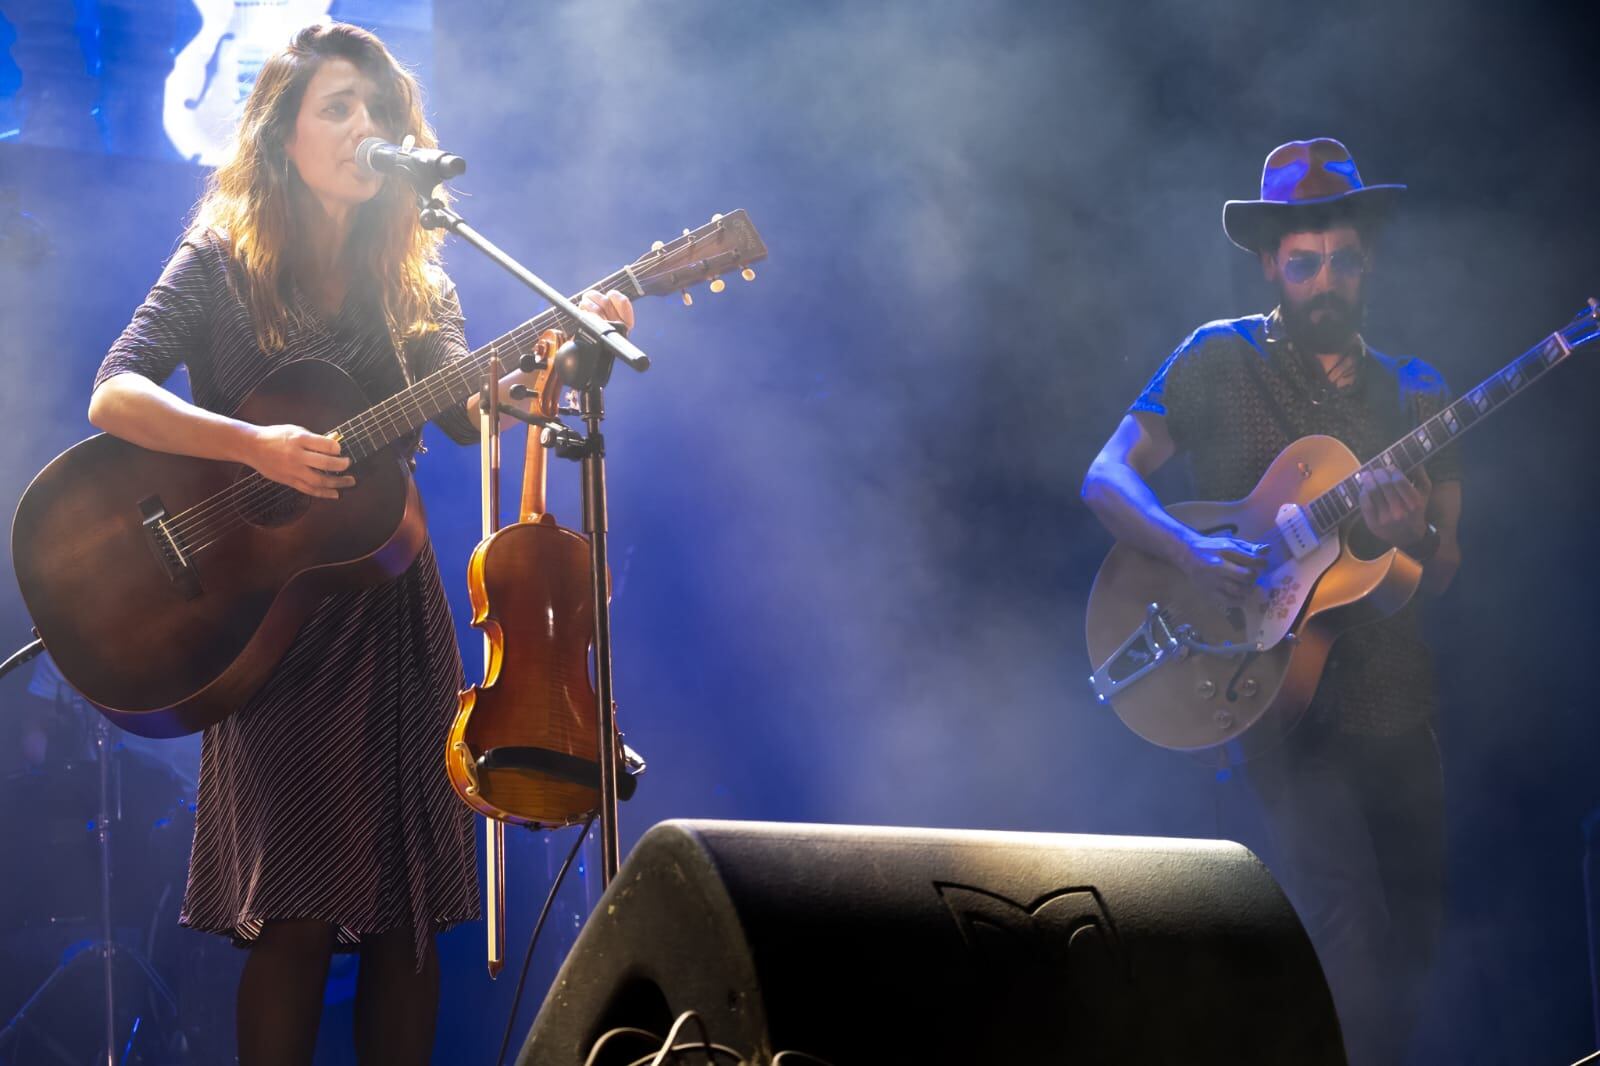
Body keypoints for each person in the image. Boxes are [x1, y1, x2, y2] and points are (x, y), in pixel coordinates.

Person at [86, 22, 634, 1065]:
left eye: (377, 110)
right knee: (293, 914)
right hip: (268, 623)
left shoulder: (411, 275)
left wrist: (546, 368)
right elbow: (115, 389)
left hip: (390, 614)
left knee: (407, 917)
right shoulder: (220, 261)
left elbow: (470, 409)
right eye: (337, 107)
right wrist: (257, 446)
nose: (363, 126)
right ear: (281, 131)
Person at [1080, 138, 1462, 1065]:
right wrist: (1187, 546)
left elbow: (1443, 567)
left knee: (1414, 937)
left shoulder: (1417, 396)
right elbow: (1105, 475)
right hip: (1274, 692)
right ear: (1270, 265)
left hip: (1396, 703)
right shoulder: (1217, 357)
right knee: (1349, 929)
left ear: (1366, 262)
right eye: (1305, 263)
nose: (1325, 280)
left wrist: (1407, 536)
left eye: (1343, 261)